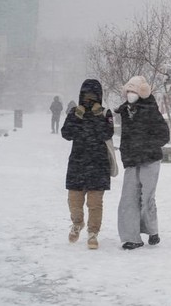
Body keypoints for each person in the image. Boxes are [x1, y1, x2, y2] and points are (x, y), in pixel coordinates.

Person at [114, 76, 170, 250]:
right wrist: (126, 153)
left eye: (134, 91)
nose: (130, 94)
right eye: (128, 91)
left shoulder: (151, 110)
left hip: (150, 159)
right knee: (128, 199)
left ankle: (152, 230)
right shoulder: (124, 111)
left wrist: (146, 147)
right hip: (132, 160)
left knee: (147, 197)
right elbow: (126, 137)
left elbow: (164, 136)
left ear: (142, 92)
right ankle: (131, 237)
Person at [60, 80, 114, 249]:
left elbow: (107, 133)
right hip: (77, 163)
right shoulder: (75, 112)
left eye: (92, 96)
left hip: (98, 165)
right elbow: (66, 134)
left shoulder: (105, 114)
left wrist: (98, 116)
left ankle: (93, 233)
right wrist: (77, 117)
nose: (89, 100)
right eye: (85, 95)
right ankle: (77, 223)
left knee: (95, 203)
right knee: (74, 201)